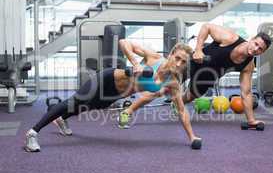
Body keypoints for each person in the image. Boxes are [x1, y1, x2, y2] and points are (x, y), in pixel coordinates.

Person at [24, 39, 202, 152]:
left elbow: (181, 111)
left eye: (183, 62)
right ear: (171, 55)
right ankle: (32, 133)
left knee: (90, 106)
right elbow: (124, 42)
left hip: (116, 94)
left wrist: (192, 136)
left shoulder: (173, 83)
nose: (178, 64)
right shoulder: (153, 57)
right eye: (177, 58)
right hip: (106, 79)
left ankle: (61, 119)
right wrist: (134, 63)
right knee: (77, 100)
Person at [125, 23, 271, 128]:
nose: (256, 49)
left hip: (208, 77)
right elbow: (206, 26)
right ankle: (128, 111)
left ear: (262, 52)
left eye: (260, 49)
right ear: (252, 39)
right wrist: (198, 49)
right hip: (194, 62)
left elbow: (245, 93)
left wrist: (251, 120)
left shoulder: (248, 65)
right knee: (161, 88)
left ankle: (176, 103)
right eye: (256, 44)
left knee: (188, 97)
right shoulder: (230, 38)